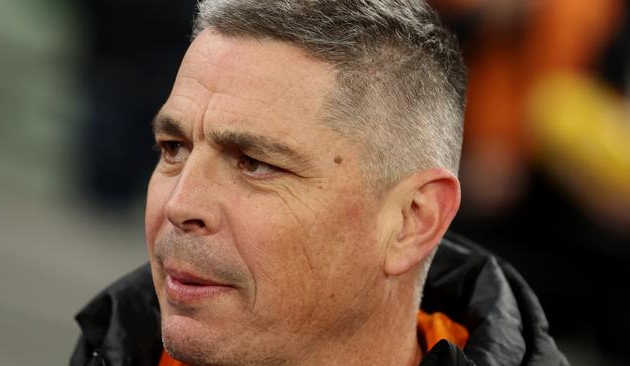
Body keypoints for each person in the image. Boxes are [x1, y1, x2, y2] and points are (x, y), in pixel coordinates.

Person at [70, 1, 568, 365]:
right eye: (173, 149)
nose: (180, 203)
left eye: (254, 163)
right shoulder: (113, 346)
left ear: (413, 220)